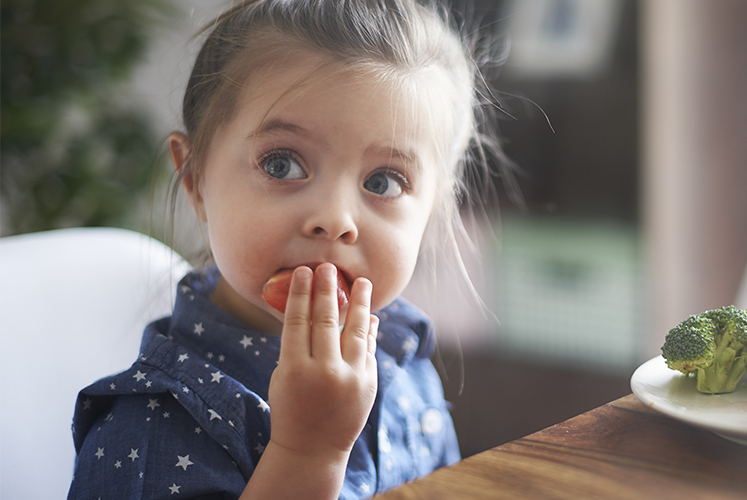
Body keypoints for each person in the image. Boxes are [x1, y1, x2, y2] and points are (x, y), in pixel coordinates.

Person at [68, 1, 510, 498]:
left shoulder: (403, 355)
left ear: (431, 210)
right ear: (196, 181)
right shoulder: (154, 429)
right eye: (281, 164)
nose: (335, 219)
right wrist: (307, 454)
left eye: (383, 181)